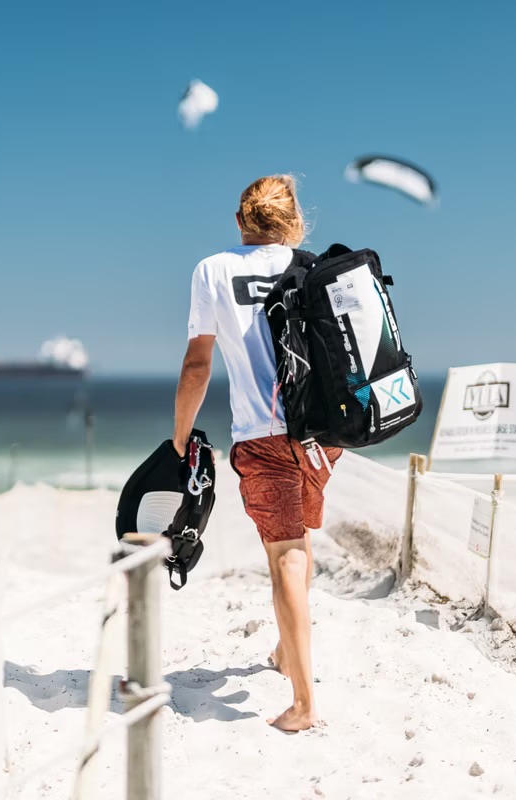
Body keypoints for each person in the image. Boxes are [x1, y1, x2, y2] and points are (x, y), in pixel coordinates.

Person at [171, 174, 341, 732]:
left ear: (242, 221)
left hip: (264, 437)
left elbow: (199, 364)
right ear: (292, 221)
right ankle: (284, 650)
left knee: (286, 555)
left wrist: (180, 434)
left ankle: (304, 704)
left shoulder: (213, 270)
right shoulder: (313, 265)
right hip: (324, 435)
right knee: (301, 543)